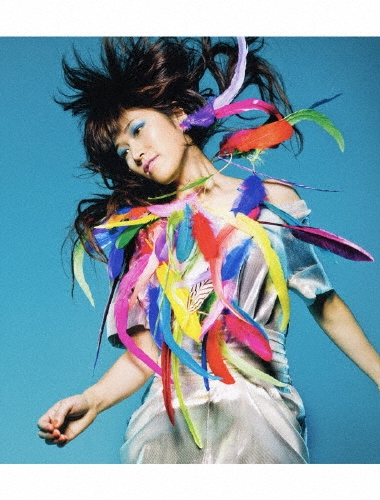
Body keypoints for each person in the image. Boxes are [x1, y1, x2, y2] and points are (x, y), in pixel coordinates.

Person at [37, 37, 380, 463]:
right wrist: (92, 399)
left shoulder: (271, 201)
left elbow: (324, 302)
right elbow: (147, 353)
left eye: (138, 129)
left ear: (178, 113)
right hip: (168, 427)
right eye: (122, 151)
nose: (135, 153)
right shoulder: (144, 236)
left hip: (259, 416)